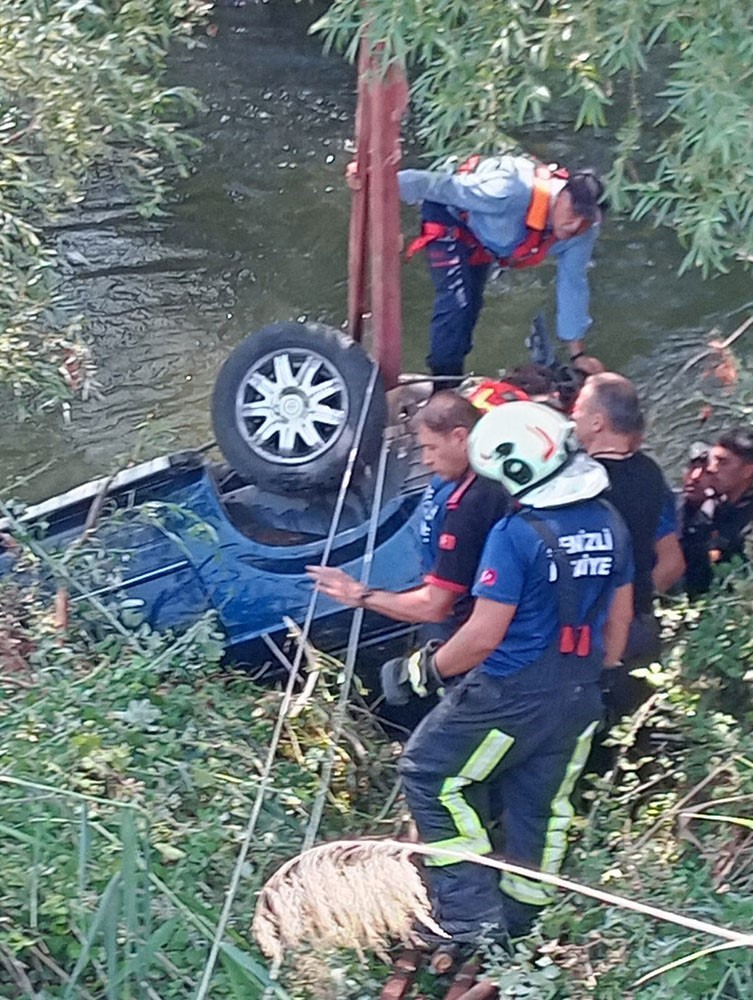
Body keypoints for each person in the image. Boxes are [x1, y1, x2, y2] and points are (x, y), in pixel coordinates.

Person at [383, 401, 633, 943]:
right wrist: (595, 674)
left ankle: (469, 917)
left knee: (430, 772)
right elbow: (619, 622)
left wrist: (421, 672)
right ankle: (524, 921)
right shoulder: (611, 523)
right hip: (580, 692)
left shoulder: (516, 535)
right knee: (540, 804)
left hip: (509, 692)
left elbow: (481, 635)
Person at [306, 391, 511, 644]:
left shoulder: (475, 500)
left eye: (431, 448)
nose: (425, 460)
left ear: (460, 437)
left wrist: (359, 594)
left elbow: (435, 606)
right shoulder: (453, 481)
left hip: (468, 627)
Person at [398, 153, 606, 384]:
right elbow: (432, 185)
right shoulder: (507, 191)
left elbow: (573, 284)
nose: (575, 225)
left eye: (585, 220)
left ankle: (451, 379)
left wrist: (578, 354)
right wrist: (374, 182)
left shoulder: (583, 232)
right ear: (563, 193)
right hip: (451, 218)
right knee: (458, 305)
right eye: (574, 212)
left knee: (471, 309)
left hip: (486, 240)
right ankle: (444, 387)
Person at [571, 373, 685, 693]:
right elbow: (670, 556)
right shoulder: (650, 472)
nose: (572, 415)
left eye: (578, 409)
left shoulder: (579, 481)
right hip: (641, 624)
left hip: (593, 635)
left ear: (598, 422)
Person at [680, 427, 753, 596]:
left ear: (748, 471)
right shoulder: (708, 505)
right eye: (712, 460)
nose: (712, 468)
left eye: (722, 462)